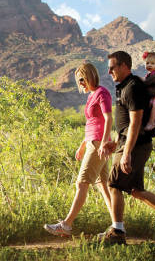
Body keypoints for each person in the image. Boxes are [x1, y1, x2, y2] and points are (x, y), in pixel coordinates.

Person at [101, 51, 155, 244]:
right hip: (130, 143)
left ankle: (117, 232)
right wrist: (116, 142)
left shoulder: (133, 87)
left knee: (114, 185)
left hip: (135, 145)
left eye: (112, 67)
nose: (109, 71)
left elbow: (135, 122)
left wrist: (126, 153)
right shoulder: (124, 86)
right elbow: (124, 124)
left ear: (124, 66)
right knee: (136, 190)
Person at [44, 63, 114, 236]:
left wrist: (104, 141)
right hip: (92, 141)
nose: (80, 83)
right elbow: (92, 123)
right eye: (78, 80)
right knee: (103, 186)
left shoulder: (102, 93)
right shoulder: (91, 96)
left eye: (82, 79)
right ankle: (118, 226)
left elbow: (108, 118)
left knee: (81, 183)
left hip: (98, 143)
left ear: (90, 76)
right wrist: (82, 145)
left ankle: (66, 225)